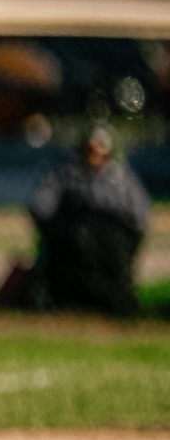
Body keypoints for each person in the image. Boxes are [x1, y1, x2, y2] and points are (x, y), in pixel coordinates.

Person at [24, 125, 152, 316]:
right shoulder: (65, 176)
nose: (95, 154)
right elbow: (41, 207)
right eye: (91, 149)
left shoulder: (122, 179)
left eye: (101, 148)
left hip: (111, 247)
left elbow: (139, 215)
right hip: (72, 243)